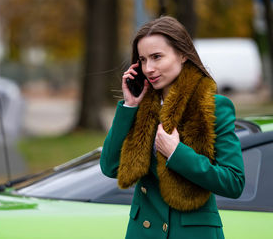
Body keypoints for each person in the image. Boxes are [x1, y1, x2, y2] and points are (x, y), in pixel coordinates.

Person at [100, 16, 245, 239]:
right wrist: (129, 106)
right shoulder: (139, 109)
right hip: (144, 232)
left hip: (192, 233)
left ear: (182, 54)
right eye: (143, 59)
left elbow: (233, 182)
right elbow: (110, 167)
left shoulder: (214, 107)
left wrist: (177, 153)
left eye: (157, 57)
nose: (149, 68)